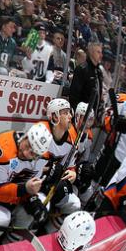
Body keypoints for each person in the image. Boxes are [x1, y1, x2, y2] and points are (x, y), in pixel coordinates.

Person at [0, 123, 52, 247]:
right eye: (28, 146)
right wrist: (24, 189)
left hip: (16, 196)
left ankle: (10, 248)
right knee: (0, 219)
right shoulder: (4, 146)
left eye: (33, 154)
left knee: (38, 207)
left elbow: (31, 184)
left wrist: (32, 198)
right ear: (25, 136)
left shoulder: (43, 157)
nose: (27, 154)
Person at [34, 98, 81, 234]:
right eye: (66, 112)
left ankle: (47, 234)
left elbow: (70, 166)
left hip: (51, 184)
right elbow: (29, 165)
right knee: (42, 206)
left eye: (70, 112)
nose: (70, 116)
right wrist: (50, 170)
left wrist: (72, 174)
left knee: (74, 203)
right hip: (33, 184)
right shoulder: (40, 132)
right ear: (54, 116)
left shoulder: (71, 140)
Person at [94, 73, 126, 186]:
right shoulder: (122, 99)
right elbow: (105, 117)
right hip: (111, 150)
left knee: (107, 188)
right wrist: (114, 122)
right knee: (94, 180)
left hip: (125, 159)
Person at [69, 41, 103, 114]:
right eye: (98, 52)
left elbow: (99, 94)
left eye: (101, 52)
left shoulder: (99, 72)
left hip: (93, 116)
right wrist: (77, 114)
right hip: (81, 115)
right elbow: (74, 95)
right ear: (91, 52)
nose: (101, 55)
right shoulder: (82, 69)